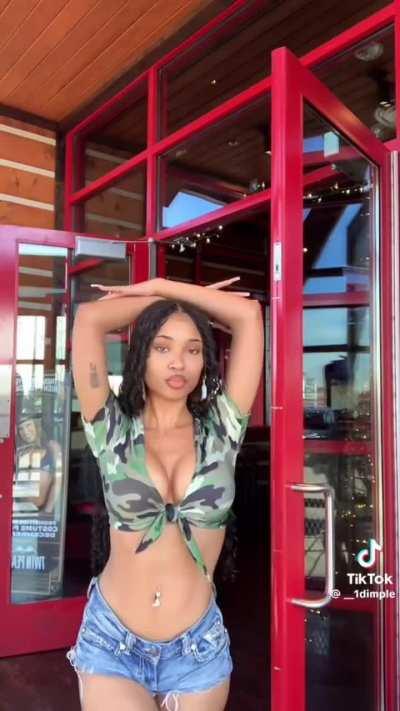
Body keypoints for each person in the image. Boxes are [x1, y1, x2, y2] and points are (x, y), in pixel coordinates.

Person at [66, 276, 264, 711]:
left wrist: (166, 285)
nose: (178, 363)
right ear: (141, 354)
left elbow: (248, 315)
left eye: (193, 350)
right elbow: (90, 318)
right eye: (162, 347)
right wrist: (163, 297)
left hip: (197, 649)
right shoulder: (111, 429)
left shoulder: (222, 431)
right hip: (112, 642)